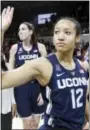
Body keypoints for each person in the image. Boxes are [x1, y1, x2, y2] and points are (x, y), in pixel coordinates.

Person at [1, 7, 89, 130]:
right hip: (52, 125)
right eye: (56, 32)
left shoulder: (82, 66)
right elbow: (2, 81)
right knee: (27, 124)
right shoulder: (44, 64)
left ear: (78, 37)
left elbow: (83, 100)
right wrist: (1, 31)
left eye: (67, 32)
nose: (60, 37)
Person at [1, 54, 16, 130]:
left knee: (6, 127)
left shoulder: (7, 67)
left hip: (6, 105)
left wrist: (13, 102)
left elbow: (11, 87)